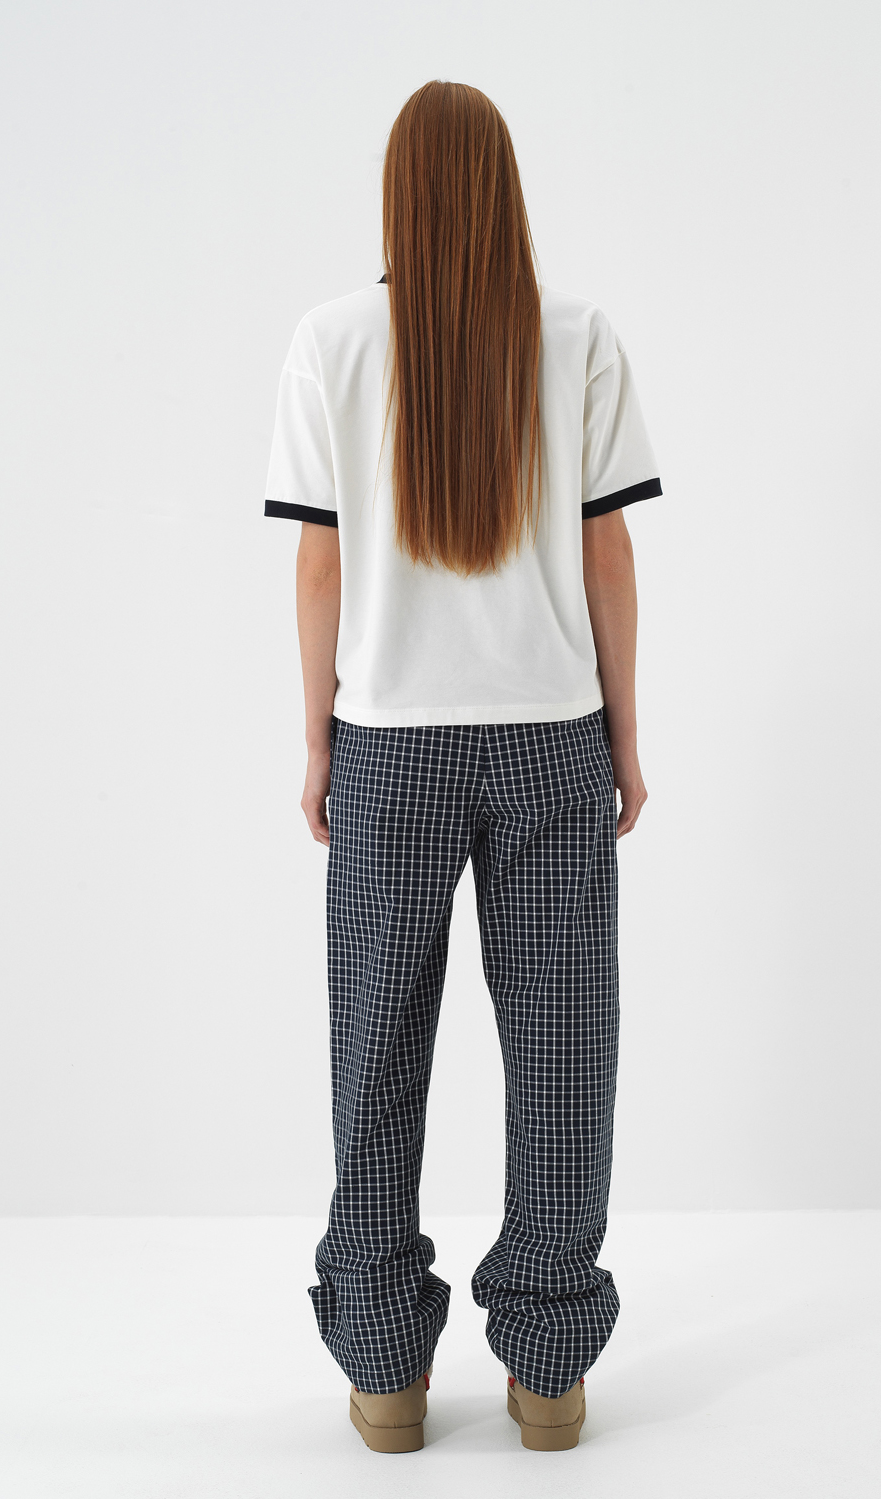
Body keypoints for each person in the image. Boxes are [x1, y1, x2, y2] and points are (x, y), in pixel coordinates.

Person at [263, 79, 660, 1453]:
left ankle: (383, 1369)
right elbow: (609, 550)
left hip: (388, 744)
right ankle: (548, 1370)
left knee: (375, 1045)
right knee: (562, 1048)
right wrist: (623, 731)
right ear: (502, 190)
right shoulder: (577, 336)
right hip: (551, 738)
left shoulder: (329, 341)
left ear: (397, 194)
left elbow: (319, 564)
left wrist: (317, 736)